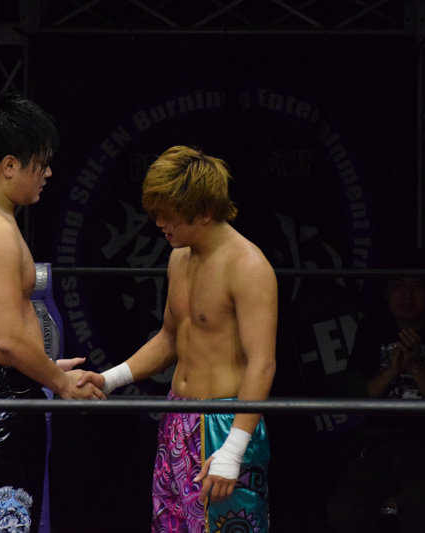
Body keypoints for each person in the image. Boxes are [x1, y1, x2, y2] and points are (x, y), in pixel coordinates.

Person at [78, 145, 277, 533]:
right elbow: (170, 338)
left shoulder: (248, 267)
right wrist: (108, 380)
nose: (159, 223)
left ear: (204, 212)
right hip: (176, 417)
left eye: (169, 214)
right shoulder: (179, 257)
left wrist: (234, 449)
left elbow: (263, 363)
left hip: (226, 423)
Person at [0, 91, 104, 533]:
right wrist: (59, 382)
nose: (48, 173)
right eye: (41, 163)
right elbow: (8, 338)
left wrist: (42, 371)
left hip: (1, 393)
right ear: (9, 165)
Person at [326, 267, 425, 533]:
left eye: (418, 286)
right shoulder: (372, 328)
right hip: (379, 444)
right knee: (342, 510)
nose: (407, 295)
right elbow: (356, 399)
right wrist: (392, 371)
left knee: (421, 501)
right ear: (385, 292)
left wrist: (416, 366)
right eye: (398, 286)